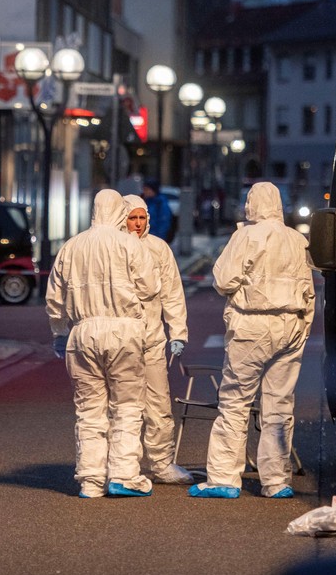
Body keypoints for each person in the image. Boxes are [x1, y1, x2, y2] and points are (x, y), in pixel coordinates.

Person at [189, 181, 315, 499]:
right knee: (279, 406)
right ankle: (276, 480)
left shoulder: (246, 235)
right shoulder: (297, 240)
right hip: (291, 325)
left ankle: (223, 478)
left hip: (251, 326)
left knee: (235, 402)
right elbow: (309, 291)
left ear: (252, 204)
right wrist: (304, 327)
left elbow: (222, 279)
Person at [46, 189, 161, 498]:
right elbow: (150, 288)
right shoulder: (130, 245)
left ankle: (91, 479)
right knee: (126, 405)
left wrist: (59, 332)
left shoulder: (72, 246)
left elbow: (55, 297)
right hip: (124, 330)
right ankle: (123, 475)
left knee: (89, 408)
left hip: (82, 333)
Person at [123, 194, 194, 485]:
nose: (137, 223)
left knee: (158, 403)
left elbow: (172, 294)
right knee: (123, 405)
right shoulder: (112, 248)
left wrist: (177, 332)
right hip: (122, 339)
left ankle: (161, 463)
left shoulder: (158, 248)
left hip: (151, 337)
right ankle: (122, 463)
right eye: (132, 218)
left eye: (141, 218)